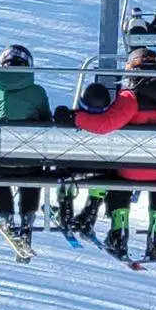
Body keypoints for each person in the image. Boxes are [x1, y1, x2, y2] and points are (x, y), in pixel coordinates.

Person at [54, 48, 156, 260]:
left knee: (113, 172)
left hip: (130, 169)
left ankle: (118, 230)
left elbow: (105, 124)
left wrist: (74, 118)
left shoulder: (131, 97)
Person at [0, 44, 51, 248]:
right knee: (33, 169)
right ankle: (27, 219)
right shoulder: (37, 92)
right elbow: (46, 120)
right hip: (29, 163)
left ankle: (5, 215)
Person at [58, 82, 111, 233]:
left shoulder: (69, 118)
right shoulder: (111, 124)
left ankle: (65, 206)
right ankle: (92, 209)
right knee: (106, 170)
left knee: (62, 169)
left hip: (71, 169)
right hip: (101, 170)